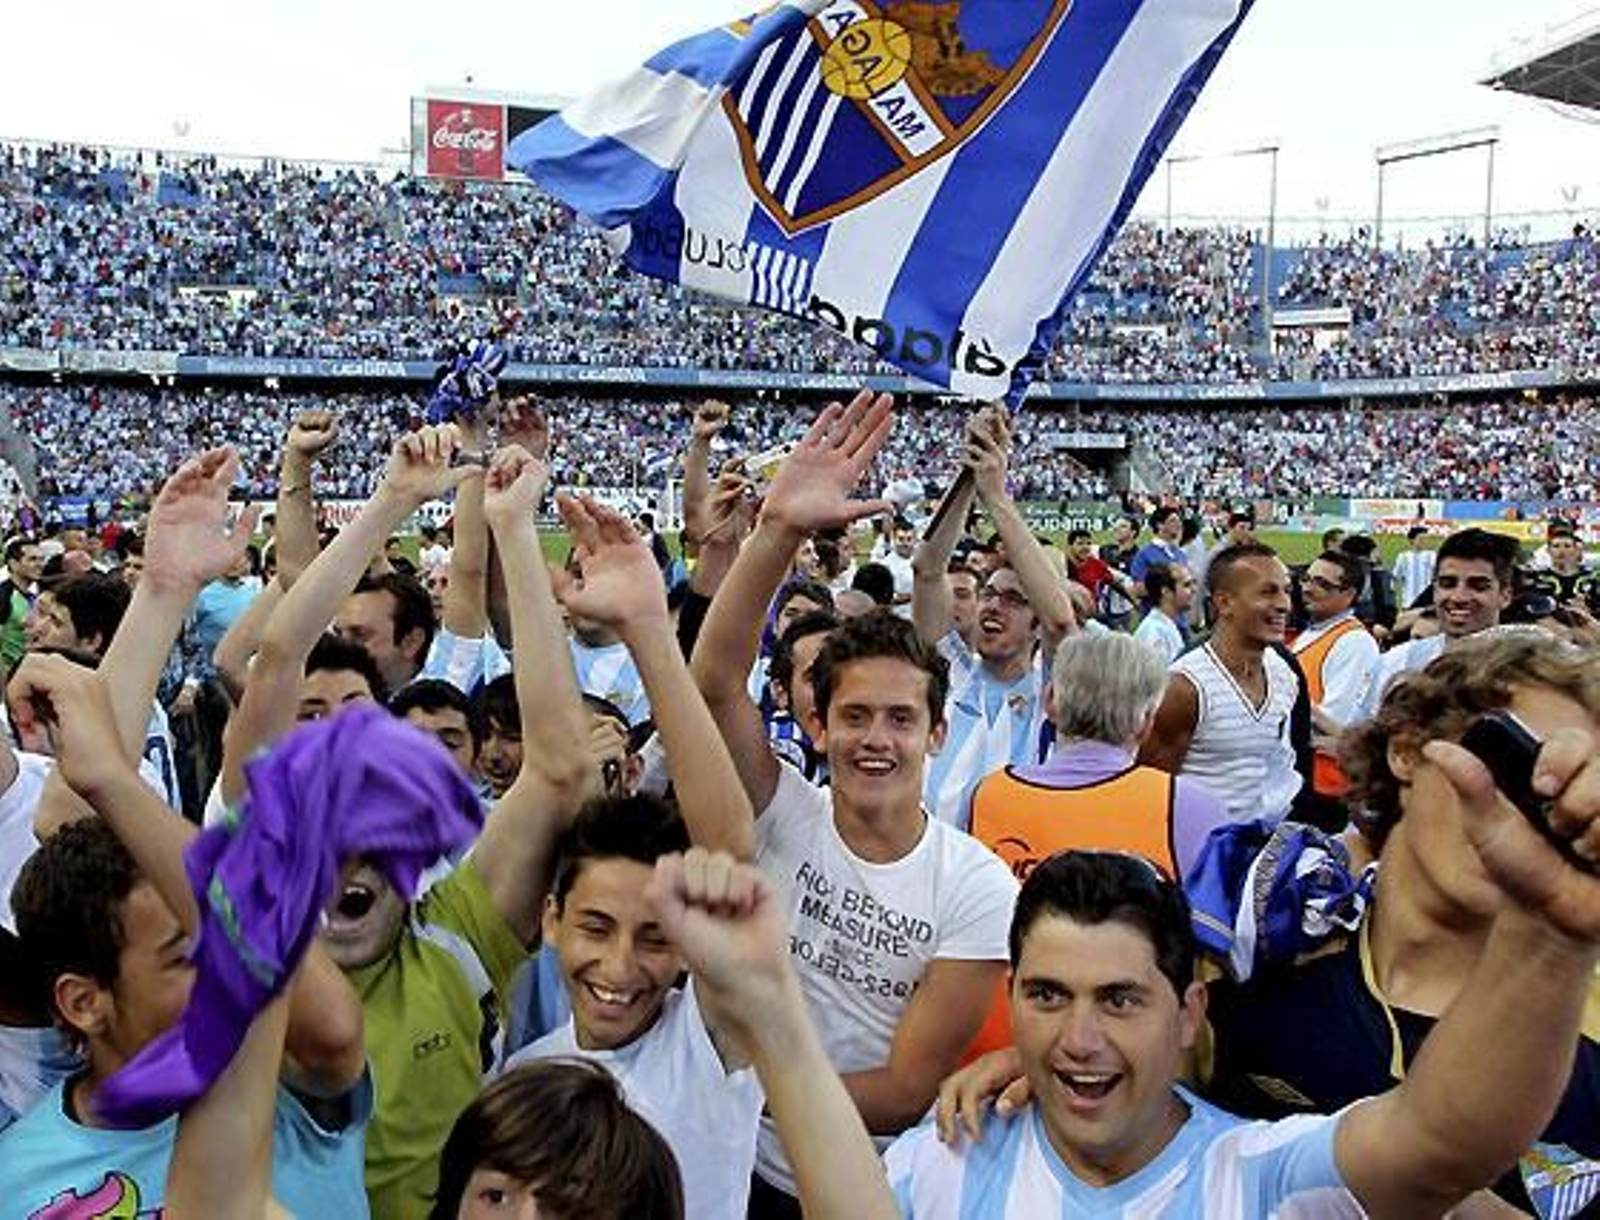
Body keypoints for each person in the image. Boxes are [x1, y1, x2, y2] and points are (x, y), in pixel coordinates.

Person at [901, 776, 1600, 1220]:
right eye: (1049, 997)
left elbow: (1443, 1141)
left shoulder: (1261, 1177)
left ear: (1189, 1015)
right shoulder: (940, 1159)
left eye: (1119, 1001)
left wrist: (1551, 936)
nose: (1080, 1038)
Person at [221, 432, 598, 1218]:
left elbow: (562, 768)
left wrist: (517, 533)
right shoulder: (247, 930)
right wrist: (388, 504)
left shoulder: (458, 933)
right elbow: (276, 661)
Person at [690, 392, 1018, 1217]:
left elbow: (908, 1088)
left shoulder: (975, 885)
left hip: (861, 1182)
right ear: (816, 723)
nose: (877, 739)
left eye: (901, 719)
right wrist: (777, 534)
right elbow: (714, 684)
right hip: (730, 1169)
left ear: (937, 732)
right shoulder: (781, 810)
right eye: (855, 716)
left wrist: (742, 1095)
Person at [912, 408, 1076, 826]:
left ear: (1035, 623)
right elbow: (928, 568)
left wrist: (997, 497)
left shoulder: (1053, 692)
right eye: (988, 594)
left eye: (1013, 600)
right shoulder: (952, 671)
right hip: (935, 871)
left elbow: (1061, 622)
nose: (992, 606)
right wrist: (970, 473)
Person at [1140, 544, 1301, 825]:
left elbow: (1278, 768)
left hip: (1263, 851)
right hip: (1201, 858)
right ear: (1224, 602)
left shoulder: (1284, 676)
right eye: (1268, 592)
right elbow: (1151, 791)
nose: (1284, 604)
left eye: (1286, 590)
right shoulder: (1185, 688)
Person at [1363, 527, 1516, 716]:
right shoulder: (1396, 662)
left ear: (1505, 596)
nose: (1459, 597)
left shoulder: (1529, 673)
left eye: (1478, 586)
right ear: (1434, 590)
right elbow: (1361, 737)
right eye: (1448, 583)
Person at [1289, 549, 1380, 801]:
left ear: (1349, 594)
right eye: (1307, 578)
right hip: (1301, 776)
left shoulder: (1354, 642)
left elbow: (1337, 721)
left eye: (1322, 584)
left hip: (1324, 783)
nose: (1307, 588)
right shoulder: (1313, 632)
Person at [1129, 562, 1190, 664]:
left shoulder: (1165, 624)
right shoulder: (1153, 633)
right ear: (1166, 592)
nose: (1193, 590)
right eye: (1186, 585)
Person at [1390, 524, 1437, 612]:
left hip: (1427, 603)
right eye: (1421, 539)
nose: (1424, 541)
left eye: (1426, 539)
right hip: (1408, 602)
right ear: (1412, 540)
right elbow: (1394, 577)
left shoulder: (1432, 556)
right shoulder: (1403, 556)